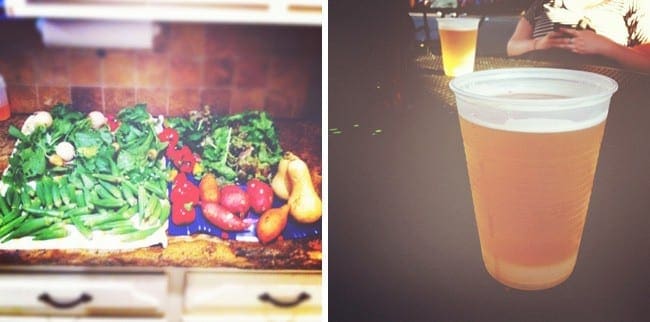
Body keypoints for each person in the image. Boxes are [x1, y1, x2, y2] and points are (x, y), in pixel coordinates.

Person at [507, 0, 650, 72]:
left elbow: (646, 64)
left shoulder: (631, 3)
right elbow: (512, 47)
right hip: (540, 86)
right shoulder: (541, 4)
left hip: (605, 96)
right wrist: (538, 44)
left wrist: (605, 46)